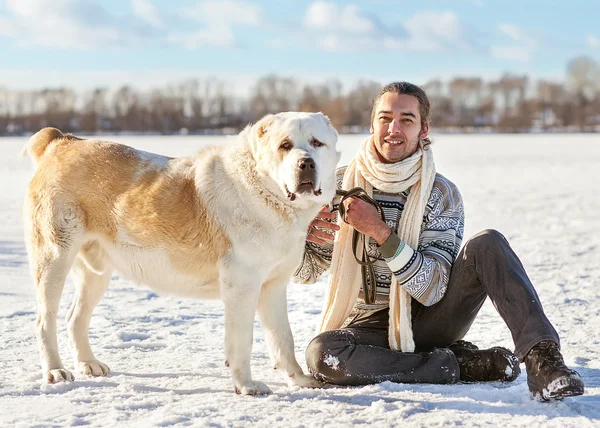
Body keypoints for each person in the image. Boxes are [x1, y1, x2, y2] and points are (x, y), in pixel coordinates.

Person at [293, 81, 584, 401]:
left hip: (432, 320)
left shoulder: (440, 194)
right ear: (371, 123)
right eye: (385, 118)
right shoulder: (335, 187)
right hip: (365, 327)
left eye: (406, 119)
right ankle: (461, 365)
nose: (393, 128)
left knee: (488, 243)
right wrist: (296, 237)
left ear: (423, 129)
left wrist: (379, 232)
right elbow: (304, 273)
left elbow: (431, 290)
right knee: (324, 355)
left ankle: (545, 362)